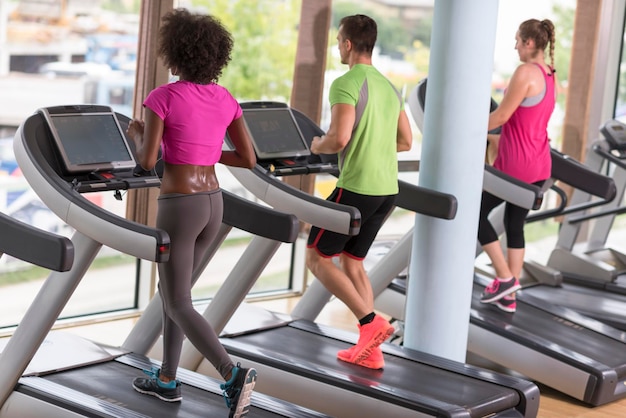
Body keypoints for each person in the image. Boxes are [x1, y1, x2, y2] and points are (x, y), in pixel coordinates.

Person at [125, 9, 258, 418]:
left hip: (180, 206)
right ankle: (166, 379)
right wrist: (203, 149)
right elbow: (249, 159)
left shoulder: (162, 97)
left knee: (178, 300)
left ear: (175, 52)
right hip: (214, 203)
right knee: (174, 297)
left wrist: (138, 134)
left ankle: (231, 374)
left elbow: (148, 161)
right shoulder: (226, 99)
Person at [305, 14, 413, 370]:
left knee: (317, 258)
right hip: (387, 190)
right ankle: (372, 350)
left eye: (338, 40)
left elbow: (339, 137)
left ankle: (371, 323)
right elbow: (406, 140)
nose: (337, 46)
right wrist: (376, 145)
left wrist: (318, 144)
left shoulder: (345, 82)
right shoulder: (389, 86)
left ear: (348, 44)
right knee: (353, 263)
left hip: (357, 186)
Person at [478, 18, 557, 313]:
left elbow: (500, 117)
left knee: (476, 213)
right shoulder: (550, 75)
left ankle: (505, 278)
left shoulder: (525, 72)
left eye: (517, 41)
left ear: (530, 43)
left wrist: (465, 126)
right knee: (514, 223)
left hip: (516, 167)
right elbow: (525, 120)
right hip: (539, 166)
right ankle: (509, 297)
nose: (515, 47)